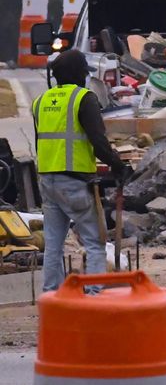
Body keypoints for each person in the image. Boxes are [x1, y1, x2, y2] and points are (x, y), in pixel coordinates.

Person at [32, 49, 128, 292]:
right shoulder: (84, 98)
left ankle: (51, 295)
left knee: (53, 244)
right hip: (74, 182)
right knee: (94, 242)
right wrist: (119, 166)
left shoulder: (40, 102)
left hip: (47, 181)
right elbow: (98, 142)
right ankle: (94, 295)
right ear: (79, 74)